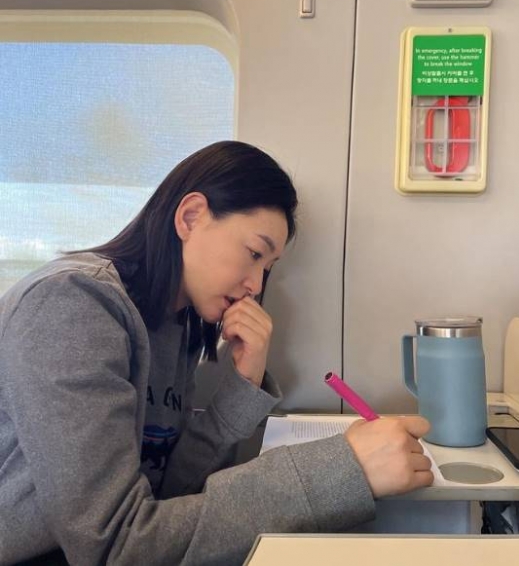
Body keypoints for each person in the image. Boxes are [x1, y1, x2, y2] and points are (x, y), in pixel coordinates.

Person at [0, 140, 433, 566]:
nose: (256, 285)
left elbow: (173, 493)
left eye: (267, 267)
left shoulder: (174, 325)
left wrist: (244, 381)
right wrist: (343, 469)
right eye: (254, 253)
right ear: (191, 217)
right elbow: (114, 544)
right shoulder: (72, 304)